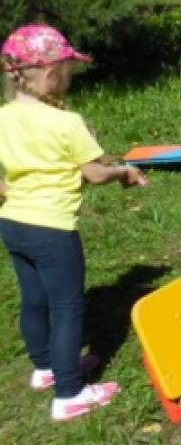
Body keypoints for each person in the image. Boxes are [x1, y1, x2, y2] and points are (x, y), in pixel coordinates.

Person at [0, 25, 145, 421]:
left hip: (13, 223)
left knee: (34, 298)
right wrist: (125, 173)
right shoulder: (67, 122)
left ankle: (45, 368)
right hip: (52, 229)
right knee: (67, 307)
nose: (70, 78)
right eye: (68, 70)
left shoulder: (3, 117)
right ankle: (69, 393)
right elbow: (96, 173)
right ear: (50, 75)